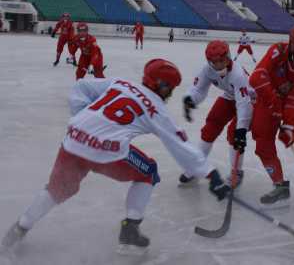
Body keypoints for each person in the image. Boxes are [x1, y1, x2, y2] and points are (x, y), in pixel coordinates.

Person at [1, 59, 230, 254]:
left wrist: (83, 115)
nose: (170, 93)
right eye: (169, 87)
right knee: (148, 171)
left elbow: (81, 86)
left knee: (57, 189)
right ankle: (130, 228)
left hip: (73, 138)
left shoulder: (121, 83)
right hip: (105, 151)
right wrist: (211, 175)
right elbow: (180, 145)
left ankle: (19, 229)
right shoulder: (157, 108)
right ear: (161, 85)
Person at [249, 24, 294, 205]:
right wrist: (274, 104)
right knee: (262, 138)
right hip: (268, 96)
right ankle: (279, 185)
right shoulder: (277, 51)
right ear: (293, 46)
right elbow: (256, 77)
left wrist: (288, 126)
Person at [180, 40, 254, 187]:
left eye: (222, 60)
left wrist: (241, 130)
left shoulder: (238, 74)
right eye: (215, 62)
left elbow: (243, 104)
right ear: (209, 62)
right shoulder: (207, 70)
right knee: (211, 126)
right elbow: (199, 89)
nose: (220, 65)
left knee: (234, 134)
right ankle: (197, 166)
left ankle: (237, 172)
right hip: (230, 96)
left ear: (228, 56)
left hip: (252, 101)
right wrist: (190, 99)